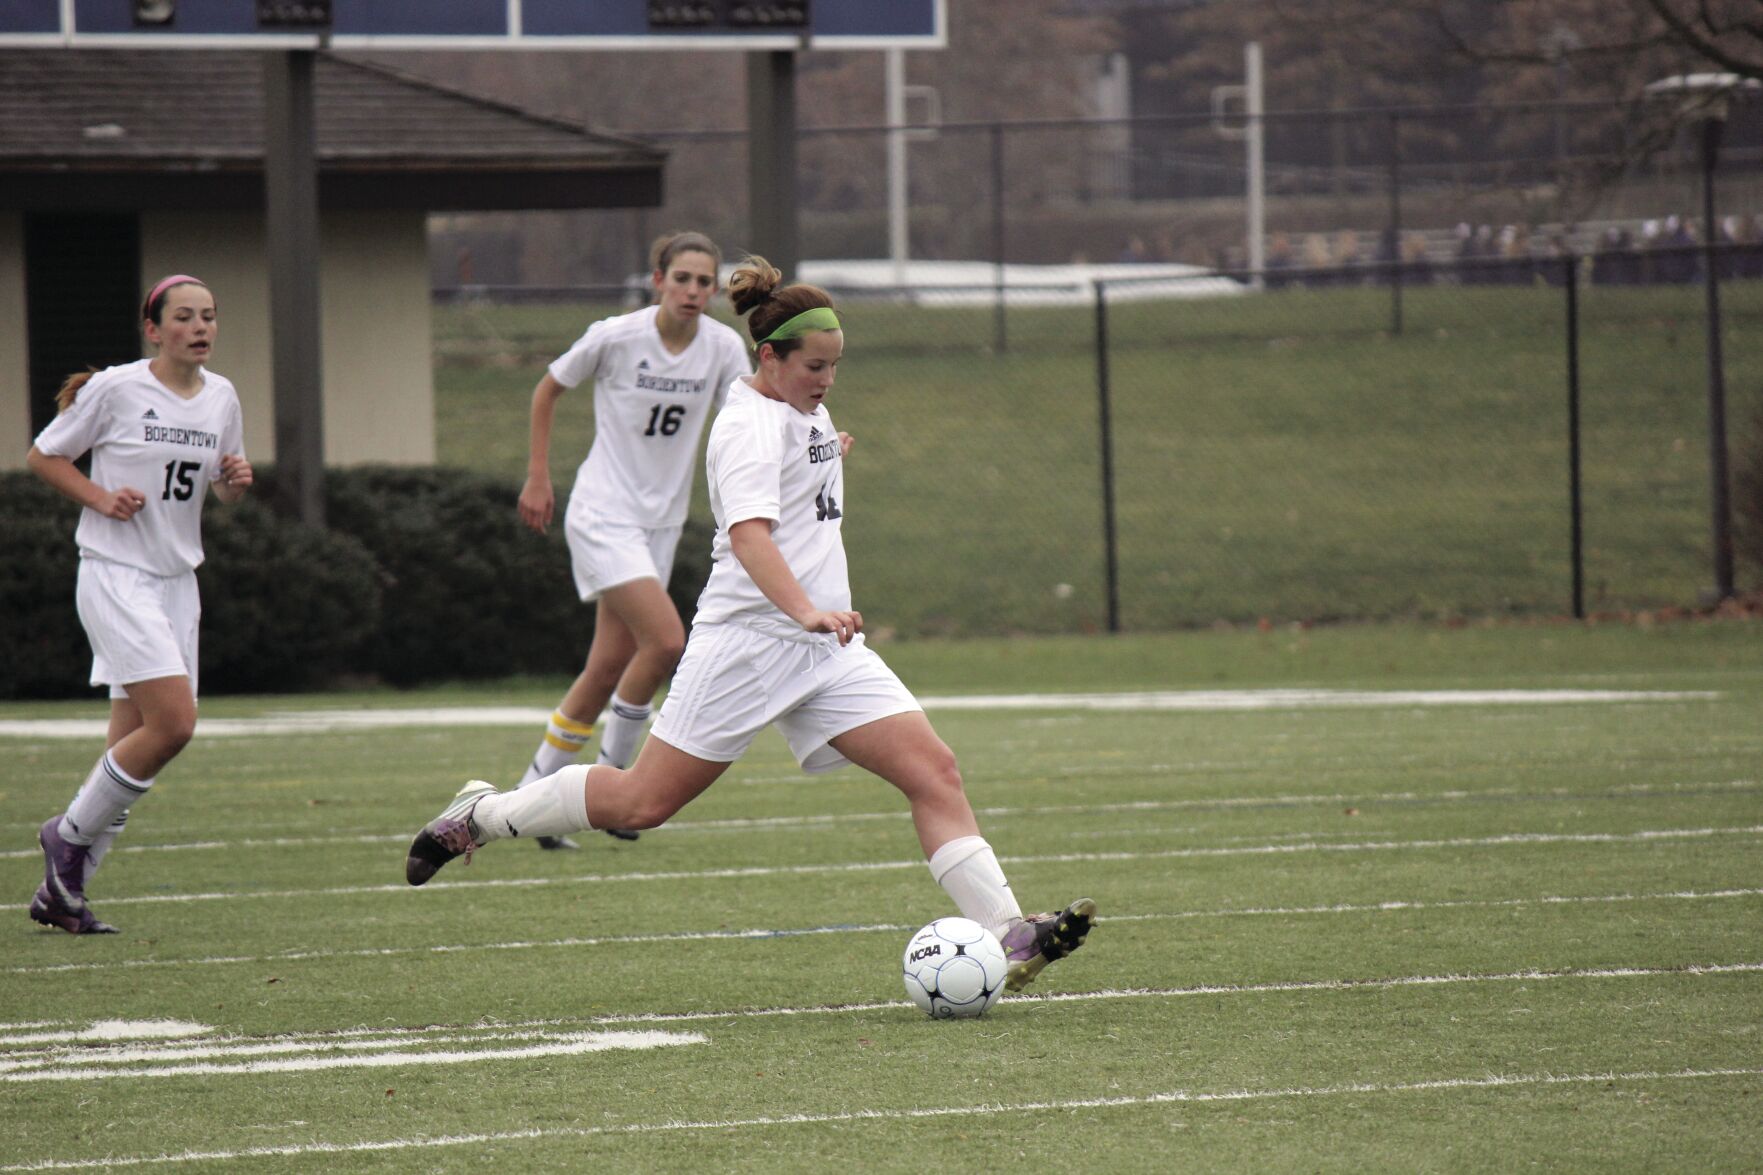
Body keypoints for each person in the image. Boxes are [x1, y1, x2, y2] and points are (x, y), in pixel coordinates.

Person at [406, 257, 1096, 992]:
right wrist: (805, 610)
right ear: (769, 357)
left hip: (825, 651)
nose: (827, 380)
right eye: (814, 366)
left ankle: (1007, 929)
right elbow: (749, 538)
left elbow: (801, 476)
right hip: (748, 645)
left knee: (934, 771)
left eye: (835, 366)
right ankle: (482, 815)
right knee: (643, 801)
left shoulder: (802, 410)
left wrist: (826, 465)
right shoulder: (744, 428)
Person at [26, 275, 252, 934]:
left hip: (177, 584)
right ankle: (66, 837)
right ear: (153, 329)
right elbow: (45, 455)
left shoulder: (222, 396)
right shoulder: (118, 387)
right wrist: (101, 499)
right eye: (184, 317)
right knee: (174, 724)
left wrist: (235, 482)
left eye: (208, 316)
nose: (200, 327)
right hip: (116, 575)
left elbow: (222, 484)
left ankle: (63, 893)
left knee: (134, 744)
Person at [511, 231, 751, 849]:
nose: (693, 291)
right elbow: (548, 388)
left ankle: (527, 802)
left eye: (705, 282)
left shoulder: (723, 348)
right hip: (603, 514)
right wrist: (538, 475)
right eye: (683, 279)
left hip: (659, 525)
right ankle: (617, 789)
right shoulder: (616, 336)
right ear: (658, 281)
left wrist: (815, 438)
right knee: (666, 641)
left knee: (606, 670)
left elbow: (751, 413)